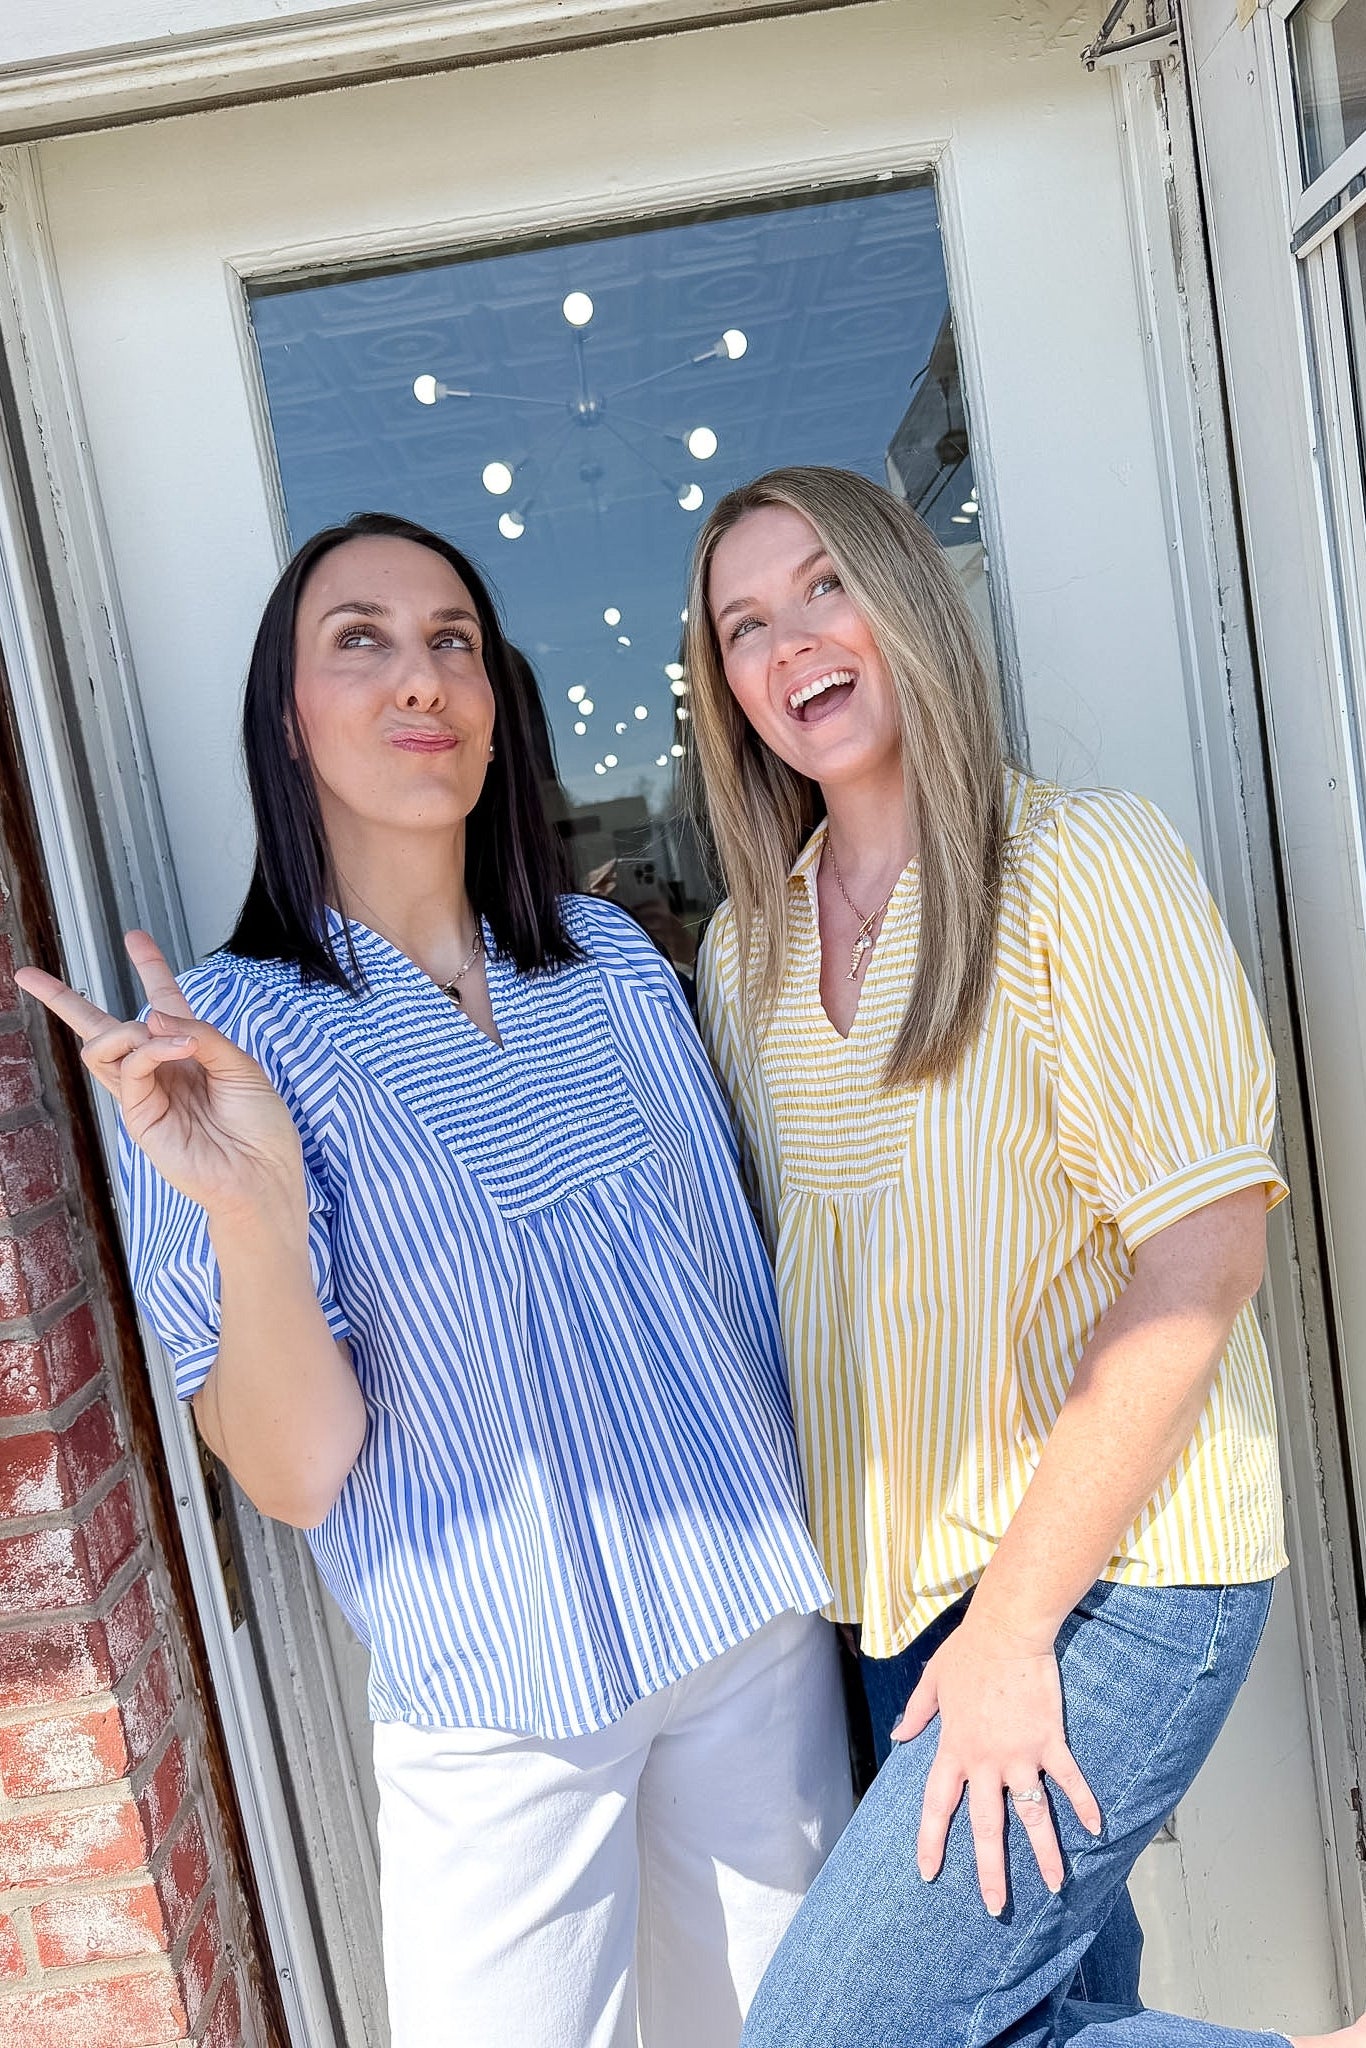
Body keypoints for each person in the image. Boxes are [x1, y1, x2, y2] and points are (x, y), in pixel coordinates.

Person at [16, 511, 851, 2048]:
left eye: (452, 641)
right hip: (499, 1696)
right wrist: (256, 1219)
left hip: (751, 1638)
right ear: (289, 717)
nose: (421, 679)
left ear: (494, 703)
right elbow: (294, 1468)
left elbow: (749, 1285)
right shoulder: (217, 1042)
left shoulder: (608, 965)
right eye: (364, 640)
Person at [686, 464, 1365, 2048]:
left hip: (1108, 1576)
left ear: (908, 601)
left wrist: (1009, 1633)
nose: (791, 645)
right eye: (743, 625)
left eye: (824, 588)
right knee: (1014, 2016)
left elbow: (1197, 1267)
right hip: (893, 1594)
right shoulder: (749, 949)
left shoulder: (1079, 866)